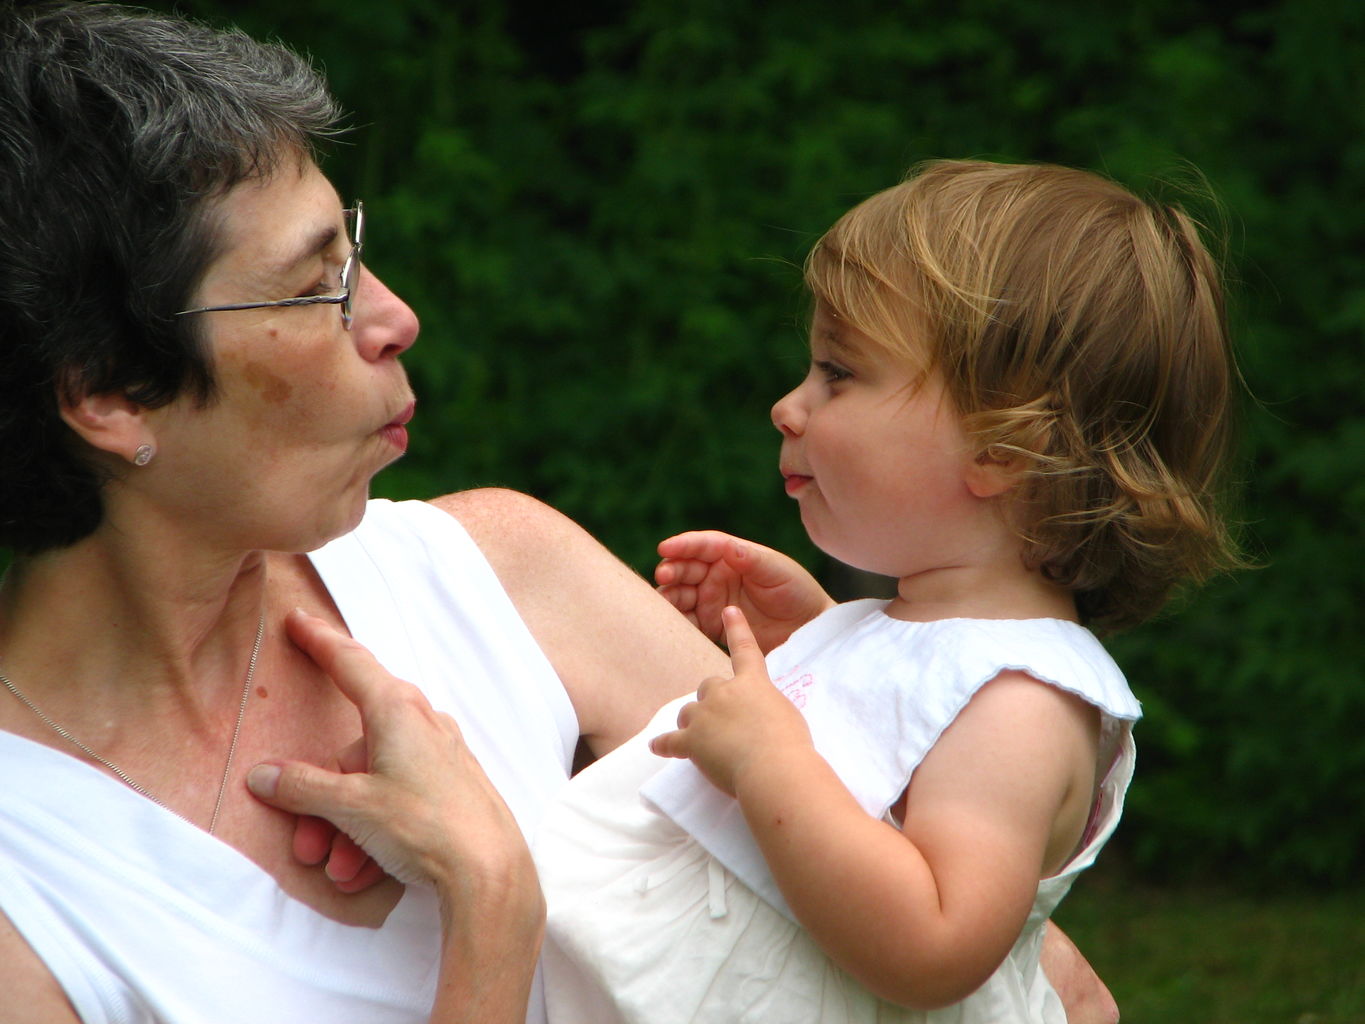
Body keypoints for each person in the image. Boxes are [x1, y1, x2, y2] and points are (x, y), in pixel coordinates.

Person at [0, 5, 1115, 1022]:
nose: (395, 317)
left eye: (359, 250)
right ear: (109, 392)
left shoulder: (498, 570)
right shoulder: (28, 894)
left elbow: (1039, 987)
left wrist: (854, 665)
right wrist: (490, 902)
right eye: (313, 286)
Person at [534, 160, 1240, 1022]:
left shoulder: (1021, 704)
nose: (788, 407)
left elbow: (935, 946)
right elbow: (900, 735)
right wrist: (823, 632)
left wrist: (770, 761)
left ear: (1001, 450)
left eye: (837, 373)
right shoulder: (929, 634)